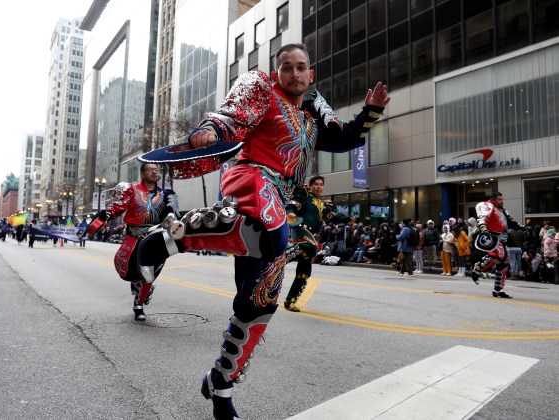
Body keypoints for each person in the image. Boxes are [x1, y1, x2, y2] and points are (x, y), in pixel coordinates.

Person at [136, 43, 389, 420]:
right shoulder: (261, 89)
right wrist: (209, 130)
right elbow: (231, 116)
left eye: (301, 67)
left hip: (277, 199)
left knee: (261, 300)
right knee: (274, 233)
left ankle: (220, 385)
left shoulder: (310, 118)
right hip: (252, 179)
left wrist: (371, 112)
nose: (294, 73)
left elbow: (345, 138)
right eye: (286, 67)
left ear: (311, 74)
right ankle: (169, 238)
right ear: (277, 71)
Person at [95, 163, 180, 321]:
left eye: (156, 170)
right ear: (142, 173)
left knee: (149, 272)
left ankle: (138, 305)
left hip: (155, 237)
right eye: (150, 169)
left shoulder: (167, 194)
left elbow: (172, 213)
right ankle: (141, 292)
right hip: (133, 237)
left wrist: (171, 217)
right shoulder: (131, 190)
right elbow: (118, 206)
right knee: (133, 272)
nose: (154, 172)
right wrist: (106, 214)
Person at [283, 176, 354, 312]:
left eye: (321, 185)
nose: (319, 187)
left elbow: (332, 216)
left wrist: (347, 218)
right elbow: (292, 204)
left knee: (304, 272)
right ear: (311, 186)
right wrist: (291, 212)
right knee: (308, 247)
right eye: (316, 184)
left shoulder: (323, 204)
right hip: (301, 231)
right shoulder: (304, 195)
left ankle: (290, 301)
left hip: (313, 238)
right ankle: (282, 256)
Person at [470, 191, 525, 298]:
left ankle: (498, 289)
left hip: (503, 239)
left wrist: (523, 228)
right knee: (501, 257)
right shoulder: (488, 206)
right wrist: (484, 229)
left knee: (504, 261)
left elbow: (512, 222)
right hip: (492, 237)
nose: (502, 201)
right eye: (499, 199)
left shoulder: (503, 211)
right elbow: (482, 219)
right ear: (493, 200)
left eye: (502, 199)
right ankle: (477, 270)